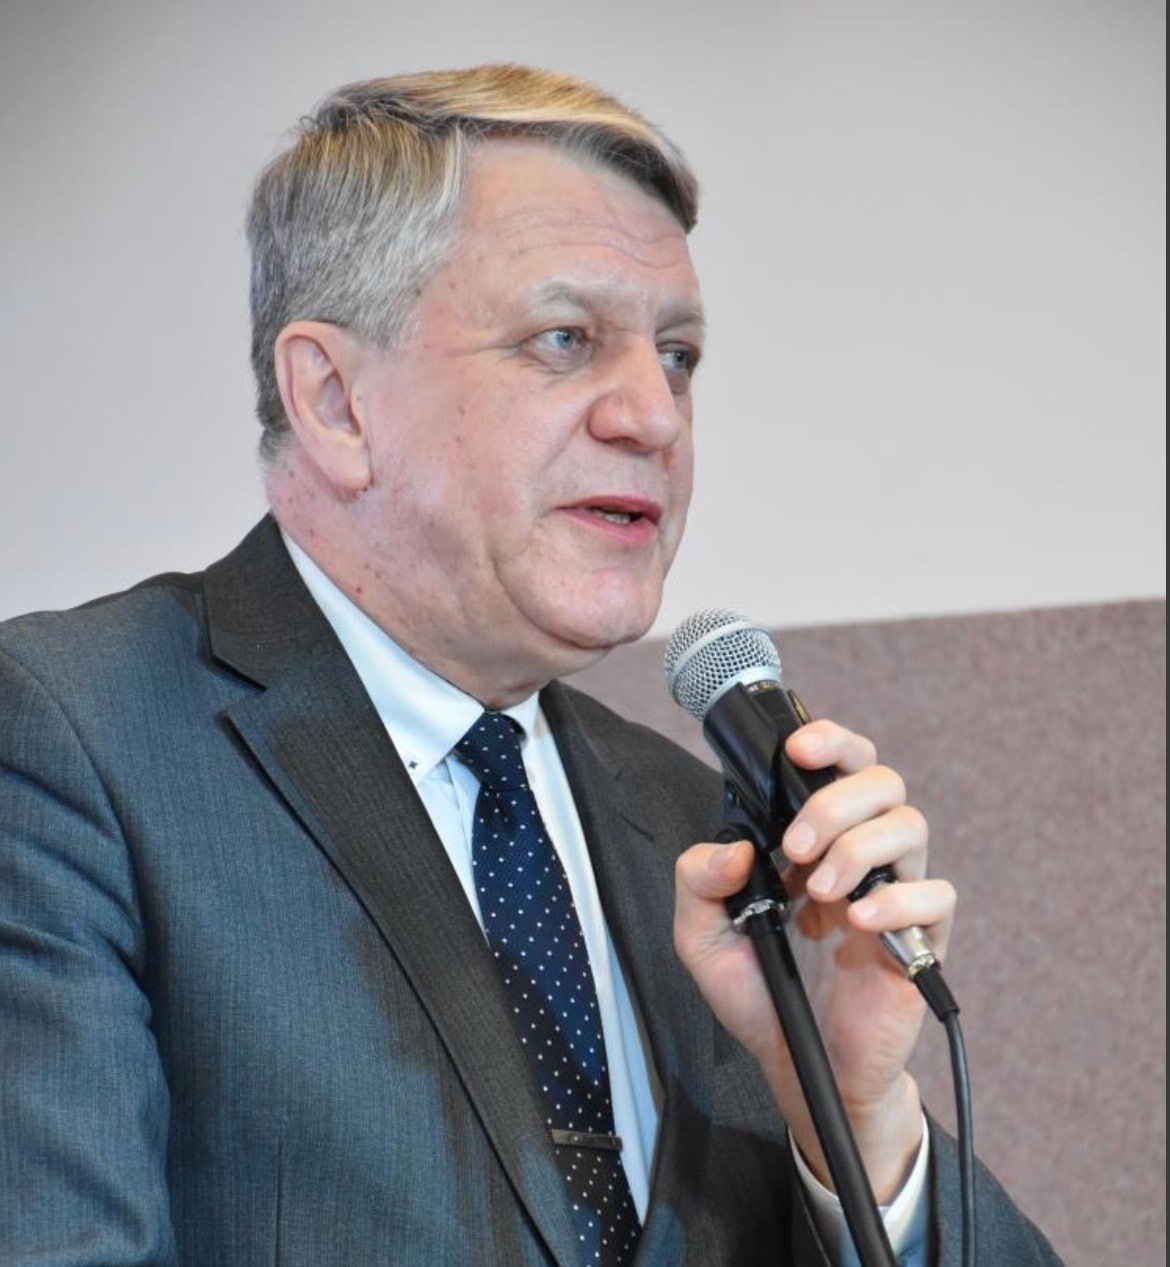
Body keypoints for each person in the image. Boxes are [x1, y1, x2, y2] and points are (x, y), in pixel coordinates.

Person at [0, 66, 1060, 1265]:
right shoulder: (74, 738)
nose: (654, 415)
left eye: (679, 355)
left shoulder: (702, 830)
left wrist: (853, 1122)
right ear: (336, 400)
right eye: (566, 340)